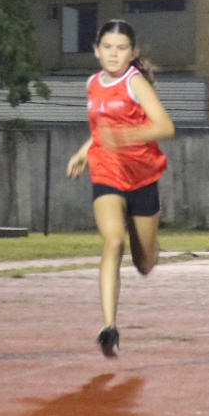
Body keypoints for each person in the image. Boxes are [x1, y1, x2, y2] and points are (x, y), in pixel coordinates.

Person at [65, 19, 175, 359]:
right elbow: (101, 131)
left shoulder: (135, 83)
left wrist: (126, 137)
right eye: (108, 48)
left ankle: (149, 242)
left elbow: (165, 127)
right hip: (107, 172)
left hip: (142, 177)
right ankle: (109, 327)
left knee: (144, 263)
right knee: (113, 241)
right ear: (96, 51)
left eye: (121, 48)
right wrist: (84, 152)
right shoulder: (92, 84)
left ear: (132, 53)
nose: (114, 54)